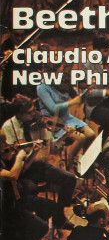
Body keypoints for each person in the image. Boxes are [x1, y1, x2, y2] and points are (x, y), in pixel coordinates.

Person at [0, 95, 77, 230]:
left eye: (34, 110)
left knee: (69, 178)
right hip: (22, 170)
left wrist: (64, 135)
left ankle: (59, 218)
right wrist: (24, 152)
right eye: (30, 112)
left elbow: (52, 146)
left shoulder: (38, 123)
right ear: (19, 114)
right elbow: (9, 155)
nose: (34, 114)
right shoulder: (8, 127)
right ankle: (35, 223)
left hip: (38, 165)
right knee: (30, 188)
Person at [36, 62, 96, 170]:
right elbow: (53, 108)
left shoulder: (63, 82)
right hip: (53, 121)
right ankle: (69, 164)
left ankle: (82, 161)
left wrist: (87, 91)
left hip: (67, 117)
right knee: (81, 138)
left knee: (91, 134)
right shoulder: (42, 87)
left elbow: (78, 98)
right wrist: (72, 102)